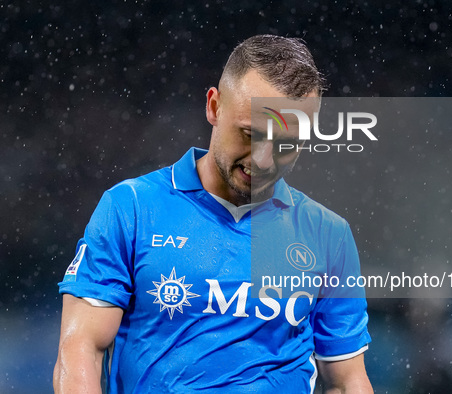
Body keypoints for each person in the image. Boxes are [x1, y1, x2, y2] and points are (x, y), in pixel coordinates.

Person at [54, 34, 373, 393]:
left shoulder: (327, 234)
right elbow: (81, 346)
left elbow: (346, 382)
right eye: (250, 134)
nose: (263, 160)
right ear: (214, 106)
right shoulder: (132, 208)